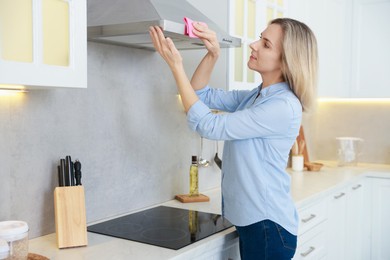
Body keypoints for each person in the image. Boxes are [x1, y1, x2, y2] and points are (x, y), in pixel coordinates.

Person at [149, 17, 318, 260]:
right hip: (256, 224)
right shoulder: (257, 96)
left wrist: (176, 66)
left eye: (266, 44)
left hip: (268, 228)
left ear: (286, 59)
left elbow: (209, 125)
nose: (254, 44)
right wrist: (212, 55)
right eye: (260, 37)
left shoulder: (282, 106)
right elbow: (200, 94)